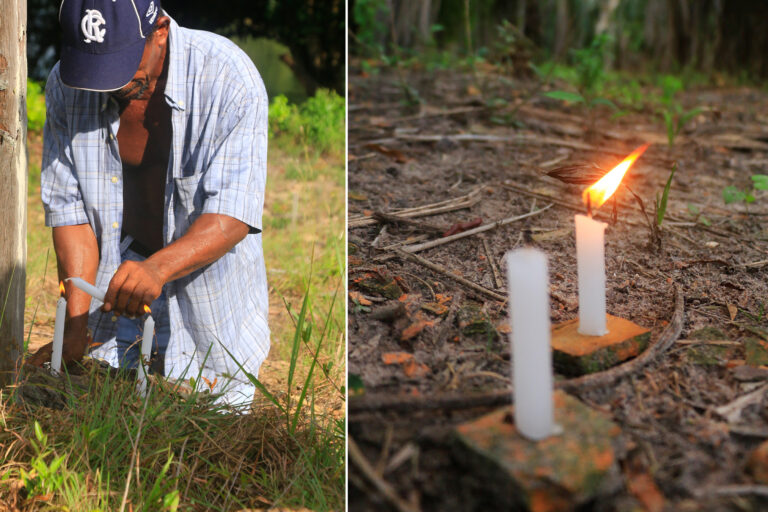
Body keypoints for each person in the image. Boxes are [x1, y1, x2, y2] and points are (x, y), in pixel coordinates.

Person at [30, 0, 270, 406]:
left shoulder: (228, 76)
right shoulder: (68, 83)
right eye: (94, 67)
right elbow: (70, 209)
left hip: (206, 313)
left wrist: (156, 268)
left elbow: (233, 213)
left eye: (121, 64)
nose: (108, 84)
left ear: (160, 29)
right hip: (112, 303)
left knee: (207, 441)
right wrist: (74, 320)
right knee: (97, 421)